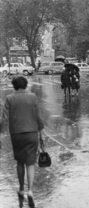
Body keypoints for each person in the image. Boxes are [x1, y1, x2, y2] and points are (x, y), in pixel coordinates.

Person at [1, 76, 44, 208]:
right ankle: (30, 191)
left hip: (17, 134)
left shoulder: (9, 98)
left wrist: (1, 135)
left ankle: (21, 189)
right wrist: (41, 134)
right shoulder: (33, 97)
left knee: (20, 161)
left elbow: (4, 119)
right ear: (25, 85)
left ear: (14, 86)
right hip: (32, 133)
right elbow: (38, 117)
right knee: (30, 162)